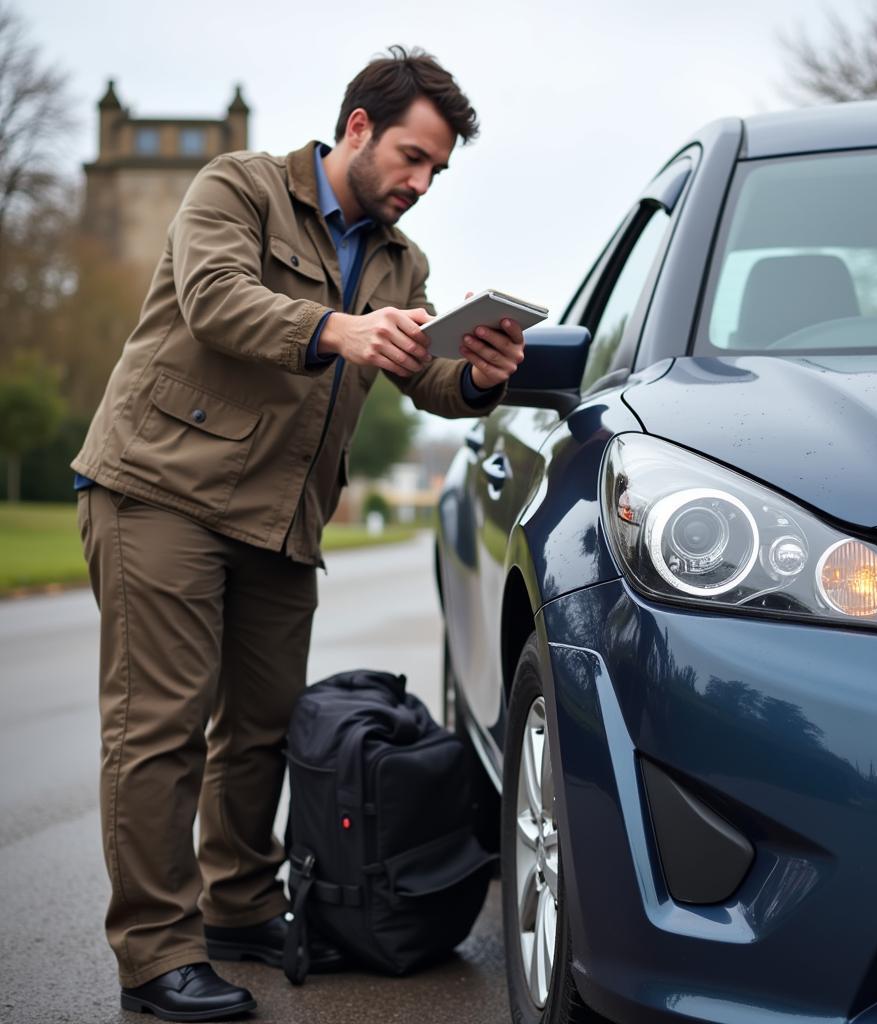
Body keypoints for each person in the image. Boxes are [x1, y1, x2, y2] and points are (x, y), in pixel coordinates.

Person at [73, 46, 524, 1022]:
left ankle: (238, 909)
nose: (419, 183)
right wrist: (336, 330)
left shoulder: (402, 261)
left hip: (281, 518)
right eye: (410, 157)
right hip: (161, 489)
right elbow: (216, 301)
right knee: (161, 728)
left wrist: (480, 374)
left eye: (436, 171)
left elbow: (426, 378)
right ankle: (155, 955)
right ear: (356, 126)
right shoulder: (234, 187)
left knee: (262, 729)